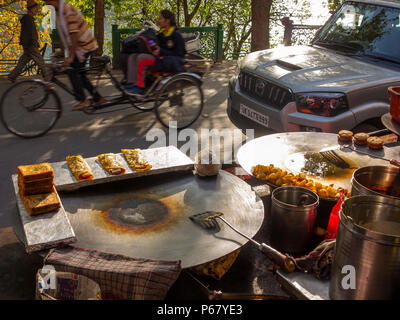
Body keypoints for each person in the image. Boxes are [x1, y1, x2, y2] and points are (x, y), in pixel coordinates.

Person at [44, 0, 106, 111]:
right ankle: (98, 98)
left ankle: (83, 100)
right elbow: (64, 33)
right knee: (80, 74)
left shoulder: (67, 9)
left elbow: (73, 34)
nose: (45, 2)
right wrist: (61, 51)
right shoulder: (59, 11)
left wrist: (71, 57)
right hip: (79, 45)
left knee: (72, 70)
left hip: (84, 45)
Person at [125, 9, 187, 96]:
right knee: (133, 56)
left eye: (160, 18)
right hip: (159, 57)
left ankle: (139, 87)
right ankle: (131, 83)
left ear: (167, 21)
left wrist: (161, 51)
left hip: (169, 61)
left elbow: (180, 53)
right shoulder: (161, 33)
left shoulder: (175, 34)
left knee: (141, 59)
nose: (158, 20)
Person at [8, 0, 52, 83]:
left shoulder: (29, 19)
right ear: (30, 9)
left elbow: (28, 34)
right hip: (31, 45)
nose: (37, 10)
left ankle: (12, 76)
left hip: (30, 44)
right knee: (40, 61)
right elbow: (26, 34)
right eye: (35, 8)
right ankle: (47, 77)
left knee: (23, 61)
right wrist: (27, 46)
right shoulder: (28, 19)